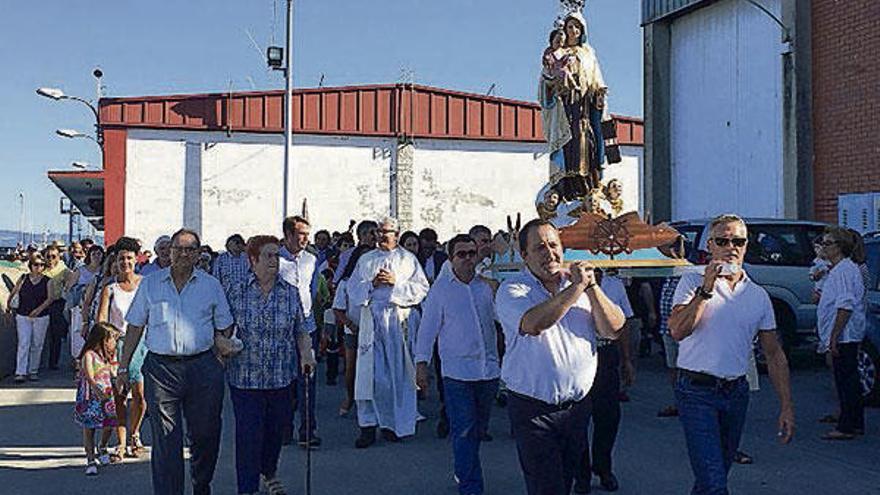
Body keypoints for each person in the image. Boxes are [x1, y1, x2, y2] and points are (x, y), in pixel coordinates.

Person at [495, 219, 626, 494]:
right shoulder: (512, 290)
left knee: (564, 484)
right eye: (539, 247)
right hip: (533, 411)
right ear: (524, 255)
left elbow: (614, 329)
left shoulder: (581, 287)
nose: (549, 253)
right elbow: (534, 323)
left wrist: (591, 288)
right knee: (547, 487)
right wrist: (576, 288)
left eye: (553, 245)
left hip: (576, 410)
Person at [668, 214, 795, 494]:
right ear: (710, 246)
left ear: (746, 245)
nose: (731, 247)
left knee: (714, 476)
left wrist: (786, 405)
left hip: (736, 392)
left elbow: (774, 354)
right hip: (696, 391)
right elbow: (677, 330)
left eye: (738, 241)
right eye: (723, 241)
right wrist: (706, 290)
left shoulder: (758, 295)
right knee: (714, 482)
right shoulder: (691, 282)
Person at [118, 228, 234, 495]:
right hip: (161, 370)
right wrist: (123, 367)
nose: (183, 254)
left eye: (190, 249)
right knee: (166, 439)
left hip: (203, 367)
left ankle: (201, 482)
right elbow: (134, 327)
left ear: (198, 254)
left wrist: (221, 350)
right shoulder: (150, 284)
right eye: (178, 248)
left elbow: (224, 326)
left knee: (206, 434)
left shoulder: (211, 285)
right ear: (169, 252)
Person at [224, 235, 316, 495]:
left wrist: (306, 355)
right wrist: (223, 344)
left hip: (280, 377)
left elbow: (302, 330)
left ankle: (268, 471)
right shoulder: (236, 291)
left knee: (276, 432)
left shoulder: (289, 292)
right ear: (253, 259)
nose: (275, 260)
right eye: (269, 255)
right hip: (245, 377)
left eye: (277, 255)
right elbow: (223, 327)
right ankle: (247, 487)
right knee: (249, 435)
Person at [415, 234, 500, 495]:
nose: (467, 259)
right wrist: (421, 365)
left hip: (488, 371)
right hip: (457, 374)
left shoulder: (487, 287)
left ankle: (465, 471)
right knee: (464, 433)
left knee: (478, 430)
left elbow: (503, 319)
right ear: (451, 258)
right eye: (461, 254)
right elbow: (427, 330)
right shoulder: (440, 291)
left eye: (471, 254)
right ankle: (470, 486)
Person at [349, 217, 429, 447]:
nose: (382, 236)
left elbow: (422, 288)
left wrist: (396, 284)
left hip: (397, 321)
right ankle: (367, 425)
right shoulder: (366, 259)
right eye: (378, 231)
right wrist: (370, 285)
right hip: (372, 322)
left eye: (387, 232)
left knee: (398, 375)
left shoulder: (407, 259)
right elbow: (353, 289)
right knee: (370, 376)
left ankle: (393, 424)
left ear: (397, 233)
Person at [574, 268, 634, 493]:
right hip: (579, 355)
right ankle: (581, 474)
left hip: (606, 355)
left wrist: (627, 360)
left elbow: (624, 323)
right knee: (578, 418)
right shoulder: (570, 284)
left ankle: (603, 466)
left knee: (608, 418)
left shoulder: (614, 285)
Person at [97, 237, 147, 459]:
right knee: (119, 396)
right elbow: (101, 321)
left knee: (140, 395)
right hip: (117, 344)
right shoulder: (110, 289)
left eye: (129, 258)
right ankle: (121, 442)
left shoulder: (146, 284)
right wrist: (106, 346)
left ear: (136, 260)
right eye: (120, 259)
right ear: (115, 262)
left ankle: (135, 433)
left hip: (143, 344)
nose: (125, 262)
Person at [816, 227, 866, 440]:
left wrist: (834, 336)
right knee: (847, 378)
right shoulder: (836, 270)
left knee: (846, 379)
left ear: (840, 247)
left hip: (845, 335)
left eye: (828, 244)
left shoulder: (845, 270)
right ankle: (853, 421)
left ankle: (847, 425)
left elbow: (845, 305)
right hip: (841, 333)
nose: (823, 247)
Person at [278, 215, 321, 448]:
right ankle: (284, 428)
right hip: (282, 330)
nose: (305, 238)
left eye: (307, 233)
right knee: (285, 382)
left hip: (306, 326)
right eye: (300, 234)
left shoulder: (311, 260)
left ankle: (307, 430)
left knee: (308, 380)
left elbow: (312, 290)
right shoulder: (276, 260)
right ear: (288, 235)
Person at [332, 227, 377, 417]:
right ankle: (350, 397)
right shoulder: (346, 283)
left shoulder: (378, 282)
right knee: (352, 368)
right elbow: (338, 309)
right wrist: (351, 326)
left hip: (374, 331)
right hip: (354, 330)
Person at [74, 322, 119, 476]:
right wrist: (96, 390)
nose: (115, 343)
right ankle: (91, 459)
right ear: (103, 340)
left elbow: (114, 373)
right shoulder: (89, 355)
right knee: (90, 428)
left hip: (107, 397)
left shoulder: (107, 357)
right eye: (113, 339)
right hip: (91, 397)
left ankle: (103, 446)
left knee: (109, 424)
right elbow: (89, 376)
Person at [6, 253, 53, 382]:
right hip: (23, 314)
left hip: (41, 316)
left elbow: (50, 299)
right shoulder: (23, 278)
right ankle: (20, 371)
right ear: (30, 265)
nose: (39, 267)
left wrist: (38, 310)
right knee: (23, 343)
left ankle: (33, 370)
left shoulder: (47, 281)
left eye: (41, 265)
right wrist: (8, 306)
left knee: (37, 344)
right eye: (36, 264)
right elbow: (14, 292)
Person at [65, 244, 104, 368]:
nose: (97, 256)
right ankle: (78, 361)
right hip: (80, 306)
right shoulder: (80, 270)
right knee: (77, 333)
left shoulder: (104, 271)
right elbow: (68, 288)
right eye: (94, 254)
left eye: (99, 253)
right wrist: (84, 289)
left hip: (97, 306)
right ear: (89, 256)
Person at [656, 275, 682, 418]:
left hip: (682, 330)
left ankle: (687, 402)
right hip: (666, 329)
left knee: (684, 368)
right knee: (672, 368)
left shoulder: (687, 277)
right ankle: (678, 402)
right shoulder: (667, 278)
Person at [43, 245, 72, 370]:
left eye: (53, 256)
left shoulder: (64, 270)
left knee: (56, 334)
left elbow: (71, 283)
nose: (50, 259)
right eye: (48, 256)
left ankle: (53, 362)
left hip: (57, 304)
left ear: (58, 257)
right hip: (41, 303)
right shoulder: (40, 268)